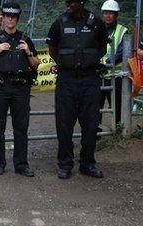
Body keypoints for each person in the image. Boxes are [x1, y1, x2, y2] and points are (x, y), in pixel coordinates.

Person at [46, 0, 108, 179]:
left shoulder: (96, 22)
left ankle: (87, 163)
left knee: (90, 124)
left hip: (90, 80)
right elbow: (52, 49)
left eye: (72, 2)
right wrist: (67, 63)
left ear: (82, 2)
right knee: (64, 124)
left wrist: (88, 61)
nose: (68, 5)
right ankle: (65, 164)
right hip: (67, 80)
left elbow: (102, 48)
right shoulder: (60, 22)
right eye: (67, 2)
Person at [0, 2, 40, 177]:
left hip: (21, 88)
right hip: (0, 87)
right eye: (7, 16)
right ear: (3, 17)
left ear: (17, 19)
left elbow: (36, 64)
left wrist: (28, 52)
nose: (10, 19)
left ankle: (21, 164)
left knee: (21, 127)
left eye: (13, 16)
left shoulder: (24, 39)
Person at [99, 0, 128, 129]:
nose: (108, 15)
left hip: (115, 76)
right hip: (98, 75)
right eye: (106, 13)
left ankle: (117, 132)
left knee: (117, 106)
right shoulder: (96, 29)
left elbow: (122, 52)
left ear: (116, 15)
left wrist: (107, 64)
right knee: (95, 107)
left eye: (111, 13)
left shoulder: (123, 31)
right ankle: (95, 132)